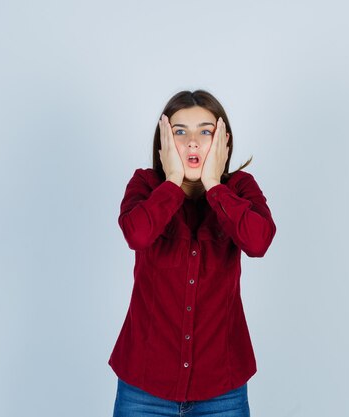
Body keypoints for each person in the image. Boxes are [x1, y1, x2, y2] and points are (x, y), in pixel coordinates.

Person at [109, 90, 276, 417]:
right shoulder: (144, 185)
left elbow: (258, 242)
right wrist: (172, 181)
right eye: (180, 132)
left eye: (205, 131)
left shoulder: (241, 188)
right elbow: (137, 234)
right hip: (144, 388)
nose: (193, 143)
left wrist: (214, 185)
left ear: (223, 140)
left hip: (221, 391)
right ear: (165, 142)